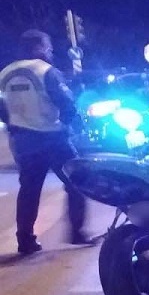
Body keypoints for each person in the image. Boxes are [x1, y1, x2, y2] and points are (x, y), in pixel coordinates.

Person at [0, 30, 89, 254]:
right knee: (77, 181)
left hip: (22, 140)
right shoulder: (46, 71)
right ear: (38, 47)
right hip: (53, 137)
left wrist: (14, 123)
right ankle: (77, 233)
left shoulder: (5, 73)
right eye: (48, 47)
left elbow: (2, 106)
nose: (50, 52)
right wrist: (70, 125)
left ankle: (25, 241)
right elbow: (66, 102)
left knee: (29, 190)